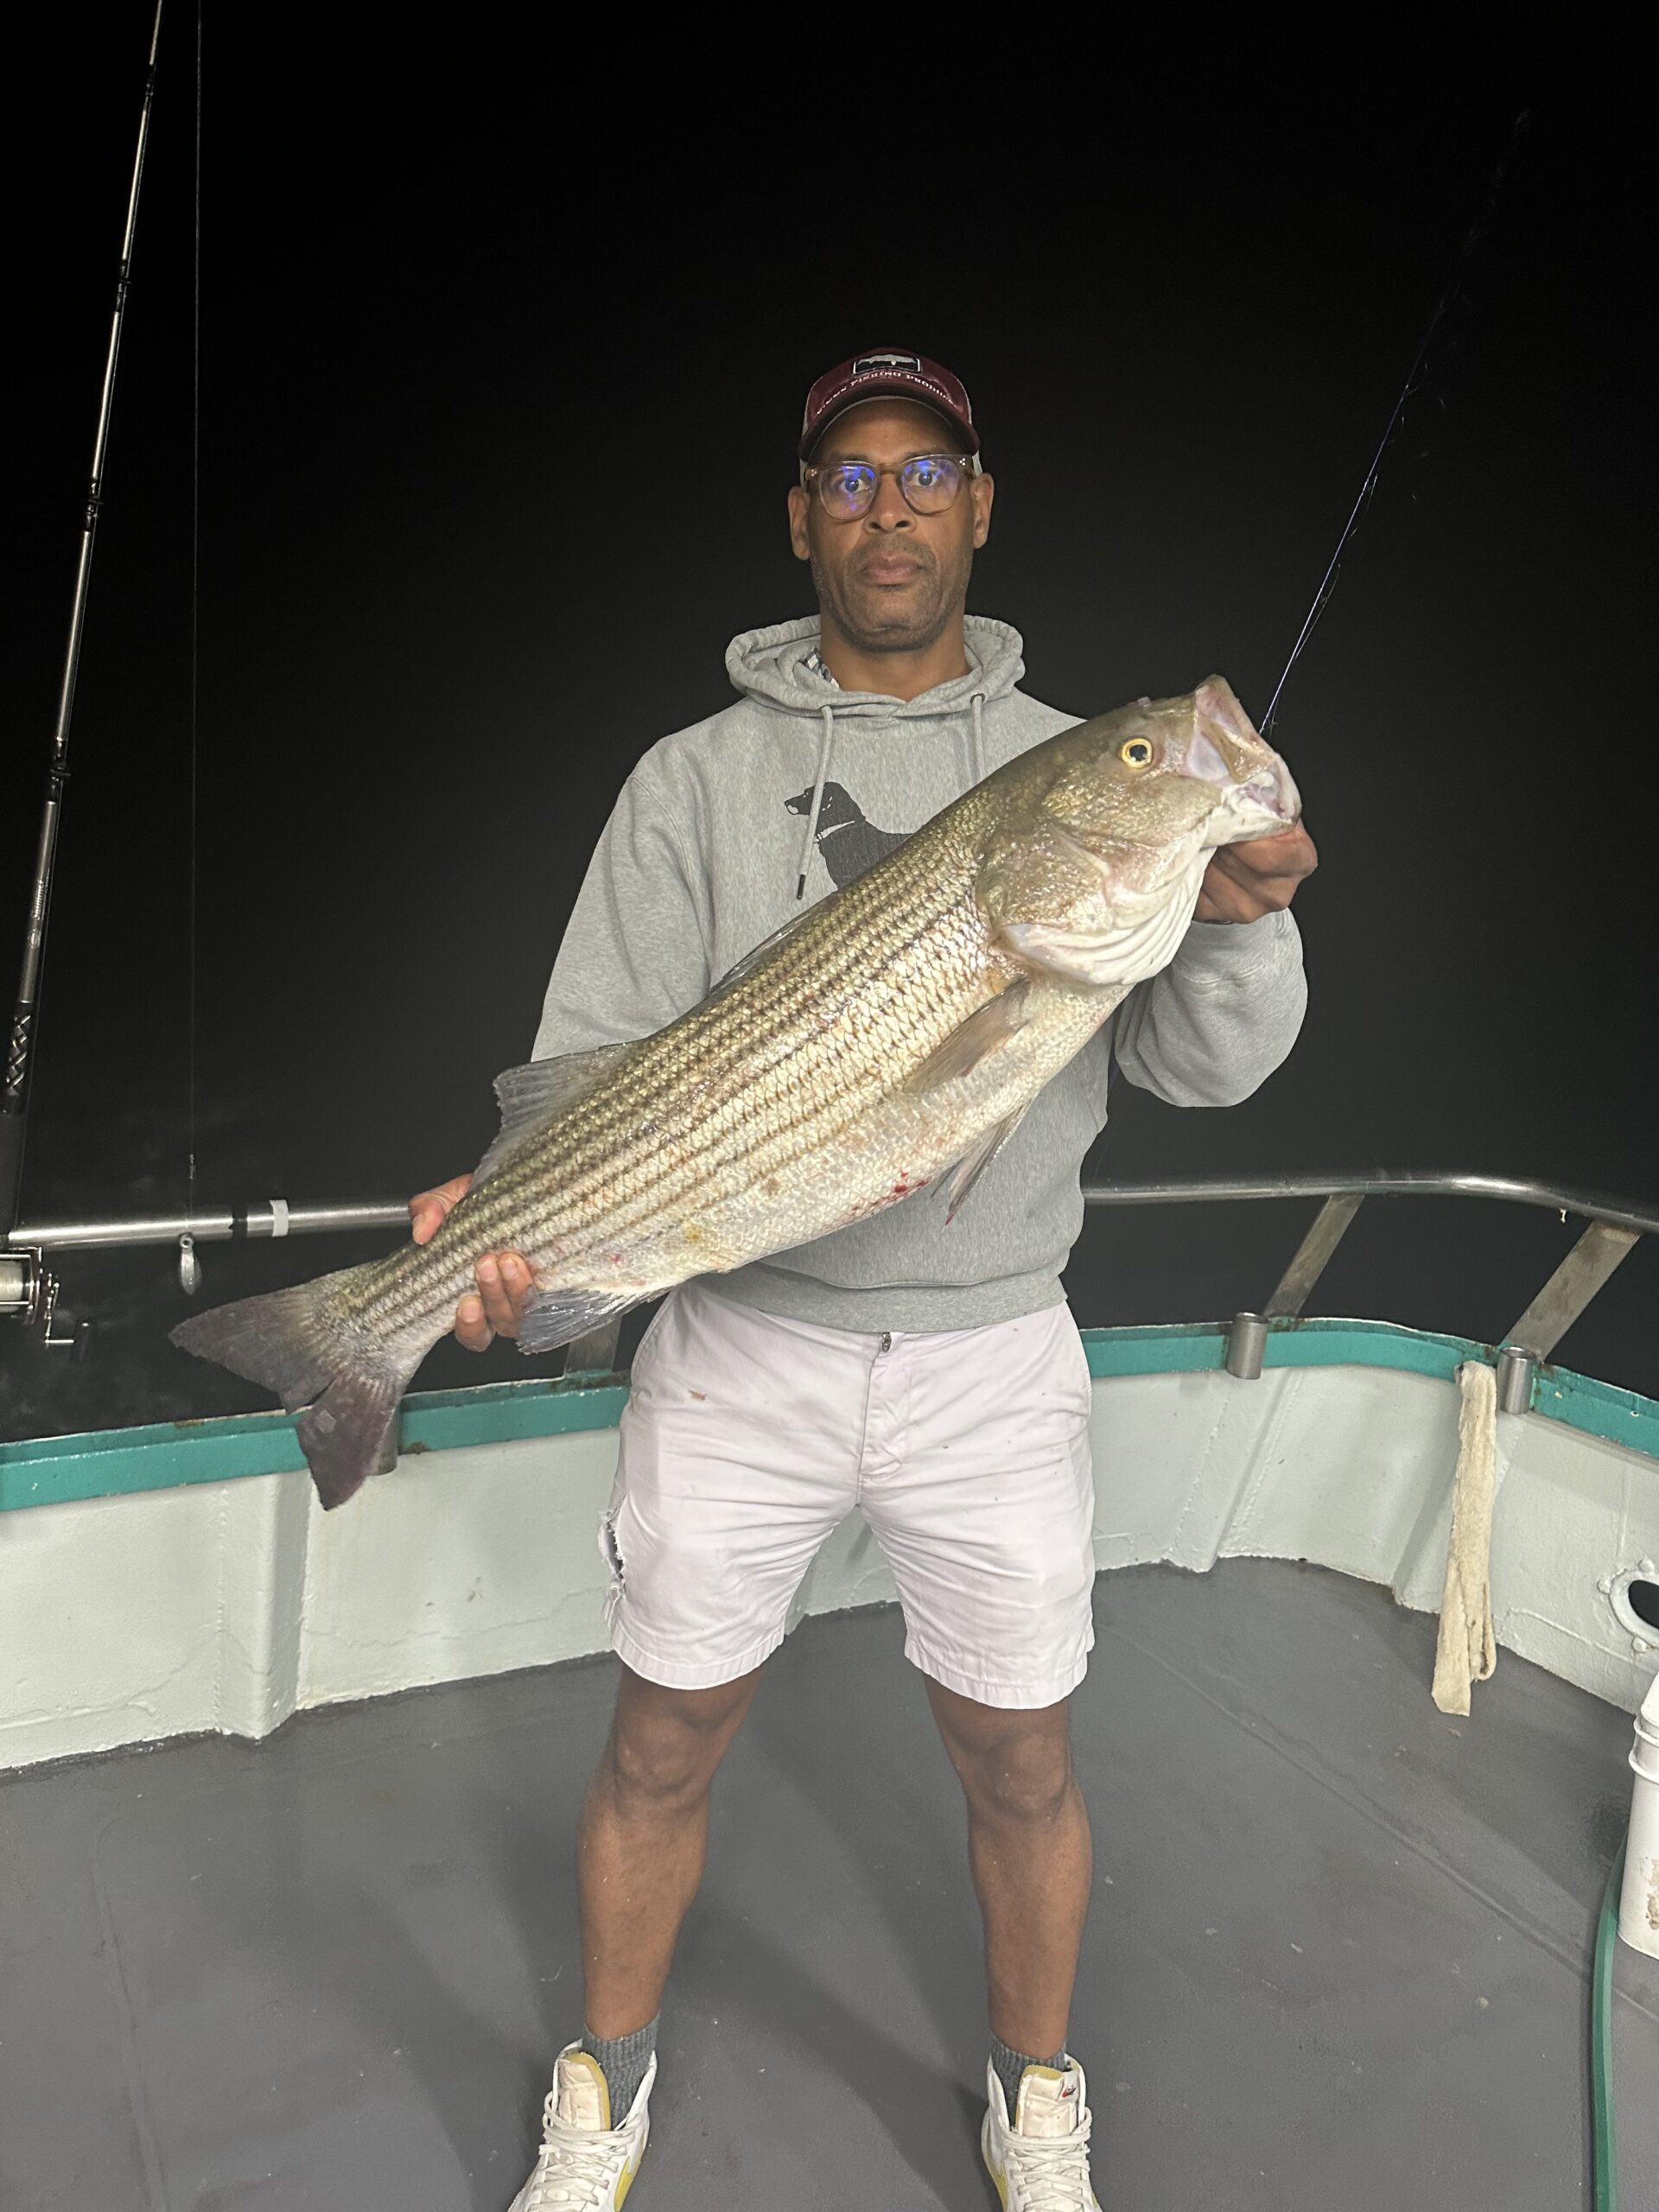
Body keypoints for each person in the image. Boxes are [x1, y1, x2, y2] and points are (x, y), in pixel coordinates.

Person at [410, 349, 1316, 2211]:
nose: (887, 507)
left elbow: (1203, 1063)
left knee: (1023, 1753)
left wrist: (1246, 904)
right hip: (739, 1339)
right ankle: (606, 2082)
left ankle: (1032, 2095)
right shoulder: (692, 781)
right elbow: (590, 1057)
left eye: (925, 474)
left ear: (981, 507)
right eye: (849, 478)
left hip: (993, 1350)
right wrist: (520, 1218)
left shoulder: (1065, 769)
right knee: (658, 1735)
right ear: (803, 516)